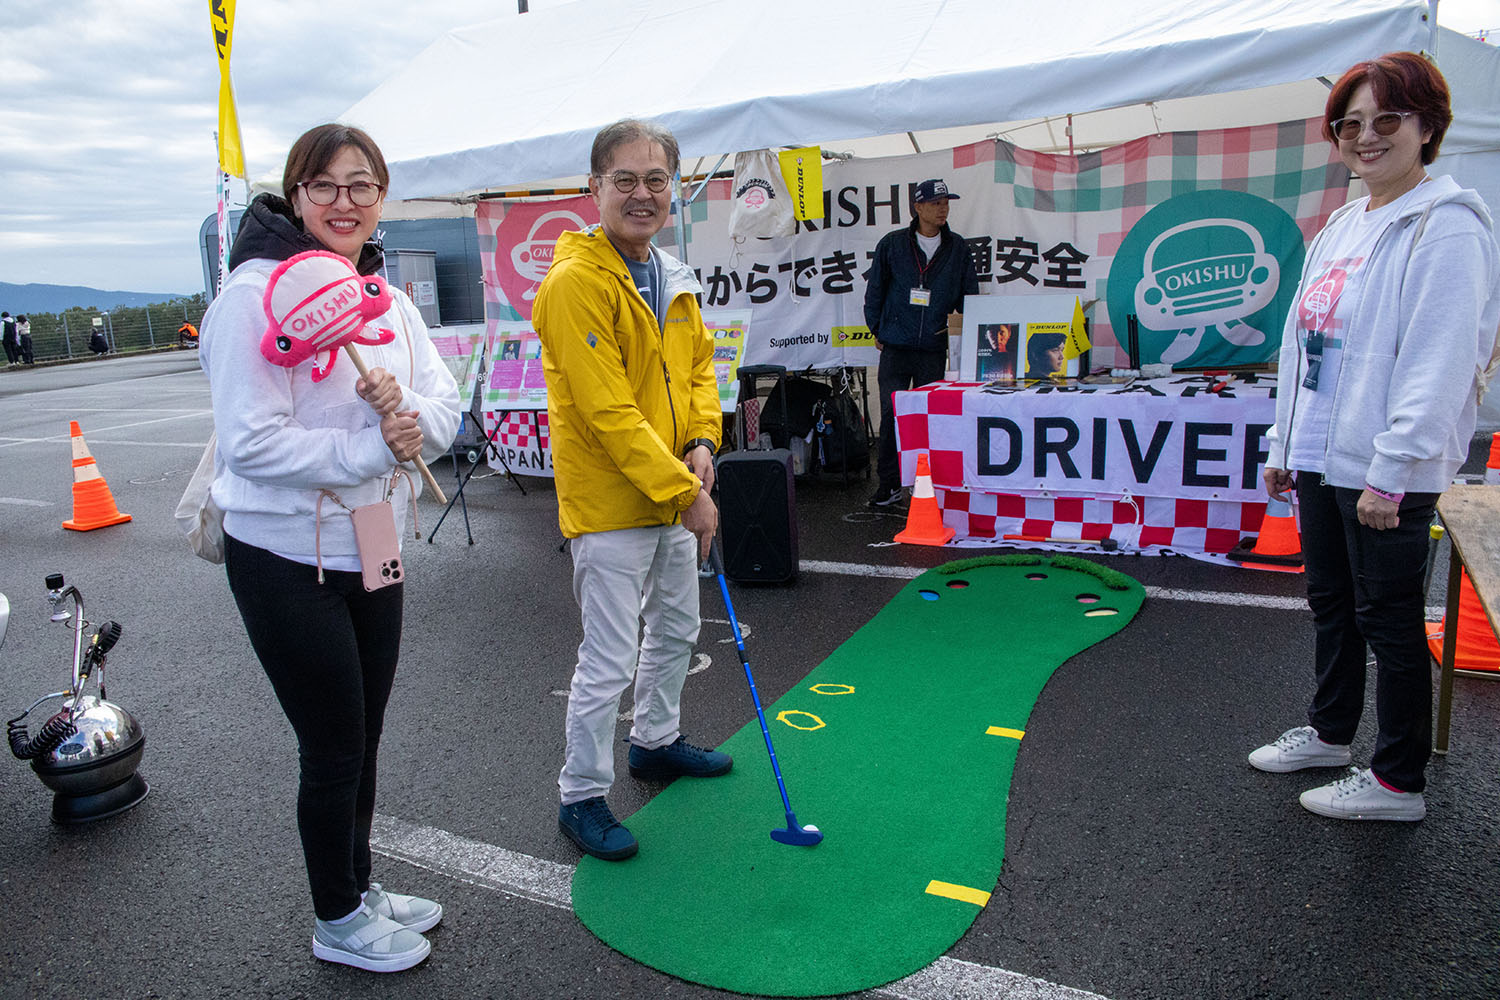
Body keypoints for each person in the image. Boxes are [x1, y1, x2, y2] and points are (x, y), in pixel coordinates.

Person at [199, 123, 461, 969]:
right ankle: (336, 919)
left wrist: (415, 424)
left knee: (366, 730)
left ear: (382, 197)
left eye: (363, 186)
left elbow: (443, 400)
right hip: (283, 554)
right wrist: (370, 448)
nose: (344, 203)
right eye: (325, 186)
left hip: (372, 541)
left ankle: (360, 882)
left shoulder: (386, 298)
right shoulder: (253, 295)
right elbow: (250, 443)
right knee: (334, 742)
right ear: (296, 193)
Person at [1251, 52, 1500, 822]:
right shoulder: (1342, 224)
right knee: (1331, 603)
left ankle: (1397, 782)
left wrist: (1393, 472)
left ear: (1427, 127)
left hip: (1385, 465)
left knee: (1387, 618)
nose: (1366, 137)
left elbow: (1440, 358)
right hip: (1325, 455)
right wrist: (1283, 446)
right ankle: (1331, 734)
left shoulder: (1446, 225)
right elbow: (1303, 347)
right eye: (1350, 123)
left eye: (1387, 120)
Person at [533, 119, 728, 862]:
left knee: (677, 631)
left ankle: (655, 741)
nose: (641, 194)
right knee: (609, 658)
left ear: (672, 189)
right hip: (613, 506)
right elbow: (607, 411)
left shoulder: (670, 273)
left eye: (655, 180)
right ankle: (580, 795)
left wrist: (703, 442)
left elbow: (699, 372)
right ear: (595, 188)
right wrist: (687, 492)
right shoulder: (575, 282)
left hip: (675, 491)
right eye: (625, 180)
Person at [863, 178, 979, 507]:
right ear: (917, 207)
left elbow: (970, 296)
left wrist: (961, 334)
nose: (943, 208)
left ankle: (931, 486)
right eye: (935, 202)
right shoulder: (893, 244)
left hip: (933, 348)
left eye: (946, 202)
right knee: (892, 414)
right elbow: (875, 292)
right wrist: (878, 329)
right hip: (896, 347)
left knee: (931, 419)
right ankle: (888, 485)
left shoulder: (957, 248)